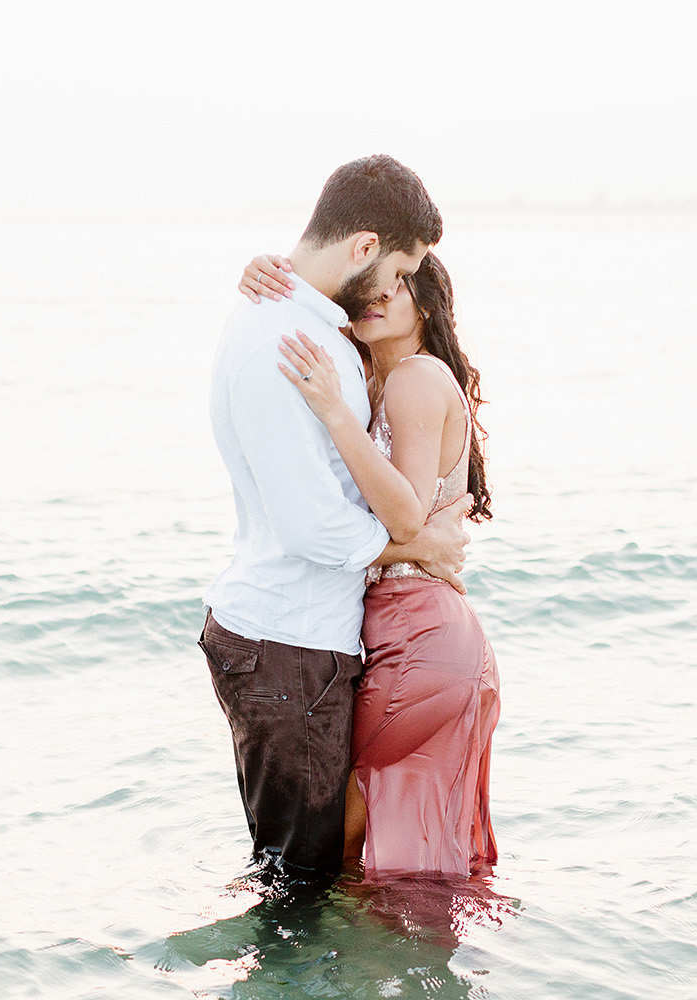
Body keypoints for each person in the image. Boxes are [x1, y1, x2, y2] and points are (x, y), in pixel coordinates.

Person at [201, 155, 472, 876]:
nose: (392, 288)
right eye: (395, 270)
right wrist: (417, 550)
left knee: (305, 873)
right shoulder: (286, 343)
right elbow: (313, 528)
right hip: (289, 648)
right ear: (363, 248)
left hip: (299, 645)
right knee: (300, 886)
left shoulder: (313, 325)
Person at [241, 250, 500, 879]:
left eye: (403, 287)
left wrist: (331, 410)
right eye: (378, 285)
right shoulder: (380, 376)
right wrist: (257, 272)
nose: (380, 297)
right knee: (389, 856)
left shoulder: (412, 378)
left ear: (429, 306)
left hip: (416, 636)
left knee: (343, 850)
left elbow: (405, 515)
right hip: (424, 635)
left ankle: (286, 956)